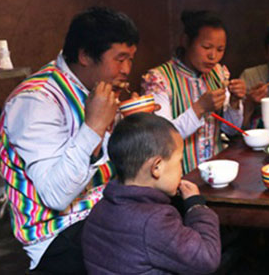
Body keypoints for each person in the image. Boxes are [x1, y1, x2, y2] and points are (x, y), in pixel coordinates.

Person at [0, 7, 139, 273]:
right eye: (120, 59)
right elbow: (55, 196)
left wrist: (131, 124)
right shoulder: (36, 100)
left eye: (130, 59)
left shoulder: (97, 91)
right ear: (85, 55)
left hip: (99, 216)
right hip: (57, 236)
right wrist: (95, 126)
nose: (126, 70)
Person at [82, 113, 221, 274]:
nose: (181, 170)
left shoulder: (99, 209)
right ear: (156, 167)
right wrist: (196, 206)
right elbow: (207, 258)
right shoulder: (155, 221)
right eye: (179, 162)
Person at [142, 10, 246, 174]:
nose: (213, 56)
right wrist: (200, 108)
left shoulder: (219, 74)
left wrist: (234, 102)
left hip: (217, 171)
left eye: (220, 49)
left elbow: (231, 130)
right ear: (185, 41)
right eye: (206, 47)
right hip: (179, 178)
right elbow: (162, 139)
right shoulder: (160, 79)